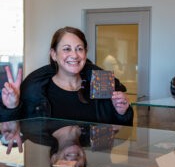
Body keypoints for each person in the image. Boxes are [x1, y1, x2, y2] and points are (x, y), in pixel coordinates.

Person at [0, 26, 133, 125]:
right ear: (53, 54)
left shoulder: (102, 85)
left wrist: (122, 112)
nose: (74, 55)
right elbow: (15, 132)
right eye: (66, 49)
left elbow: (119, 131)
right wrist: (12, 107)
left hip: (94, 161)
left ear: (85, 54)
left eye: (79, 49)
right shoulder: (35, 89)